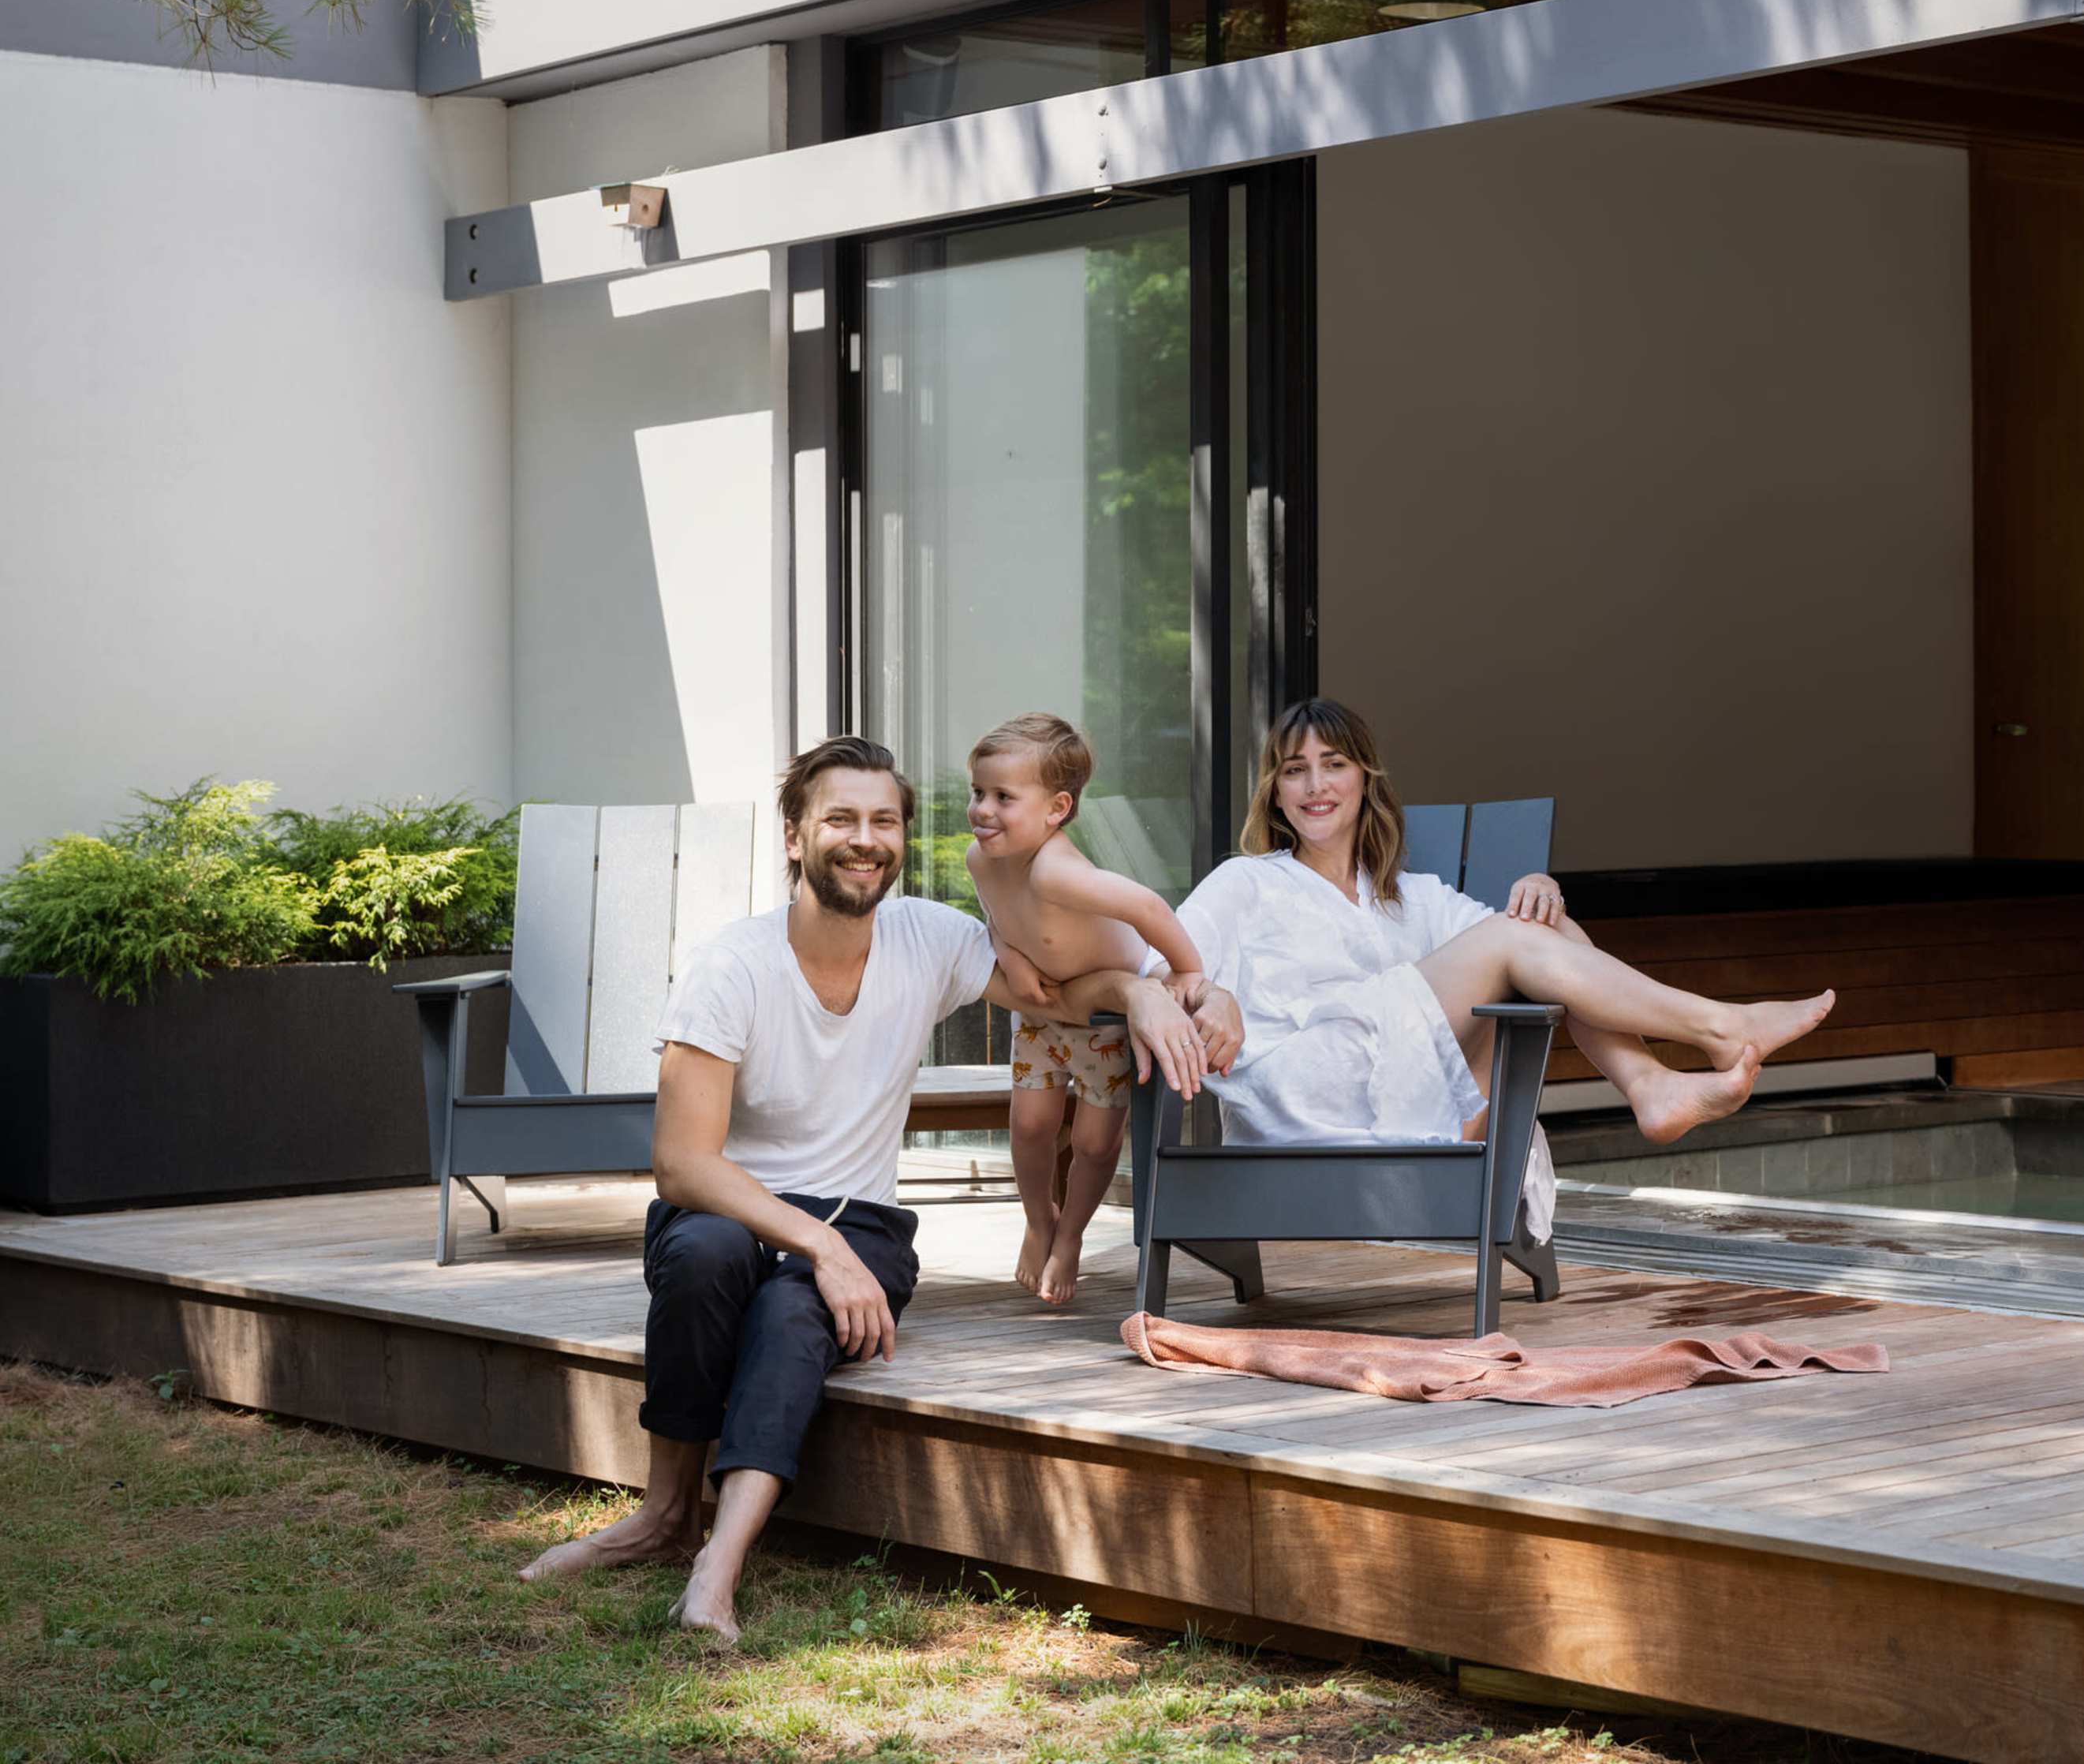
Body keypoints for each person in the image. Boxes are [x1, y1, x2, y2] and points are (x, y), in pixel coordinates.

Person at [515, 733, 1207, 1643]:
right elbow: (682, 1164)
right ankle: (661, 1514)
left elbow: (1055, 995)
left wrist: (1144, 990)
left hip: (865, 1221)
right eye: (841, 818)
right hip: (734, 1210)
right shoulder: (733, 965)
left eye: (884, 821)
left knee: (792, 1313)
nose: (866, 839)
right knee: (709, 1254)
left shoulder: (930, 938)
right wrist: (819, 1245)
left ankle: (718, 1563)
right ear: (795, 836)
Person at [1165, 699, 1832, 1234]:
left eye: (1333, 764)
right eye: (1294, 770)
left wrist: (1544, 888)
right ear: (1275, 793)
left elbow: (1537, 945)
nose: (1315, 785)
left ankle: (1649, 1084)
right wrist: (1213, 993)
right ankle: (1720, 1028)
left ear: (1365, 779)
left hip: (1406, 1104)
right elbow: (1160, 970)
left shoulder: (1412, 897)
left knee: (1542, 924)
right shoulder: (1247, 881)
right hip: (1301, 1096)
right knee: (1517, 938)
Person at [962, 712, 1242, 1306]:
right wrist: (1008, 954)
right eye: (978, 792)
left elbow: (1147, 907)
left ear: (1057, 809)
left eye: (1003, 797)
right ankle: (1038, 1219)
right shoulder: (981, 859)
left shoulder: (1058, 872)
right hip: (1042, 1012)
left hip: (1108, 1020)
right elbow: (997, 913)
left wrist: (1186, 969)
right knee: (1029, 1127)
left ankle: (1070, 1236)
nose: (983, 810)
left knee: (1093, 1143)